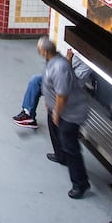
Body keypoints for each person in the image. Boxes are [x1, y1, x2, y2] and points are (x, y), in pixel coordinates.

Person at [38, 37, 91, 199]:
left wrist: (57, 112)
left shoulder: (60, 67)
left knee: (70, 145)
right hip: (57, 108)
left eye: (39, 48)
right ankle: (61, 156)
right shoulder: (52, 61)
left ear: (45, 51)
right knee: (54, 130)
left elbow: (62, 96)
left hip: (70, 113)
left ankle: (80, 183)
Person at [13, 48, 89, 130]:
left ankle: (30, 115)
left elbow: (70, 80)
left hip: (67, 88)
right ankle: (28, 113)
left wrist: (68, 60)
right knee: (35, 80)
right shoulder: (76, 52)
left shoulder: (87, 64)